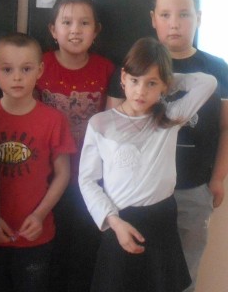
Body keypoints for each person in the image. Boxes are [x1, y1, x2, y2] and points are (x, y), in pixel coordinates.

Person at [108, 0, 228, 292]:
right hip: (139, 191)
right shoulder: (133, 67)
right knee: (138, 270)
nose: (174, 23)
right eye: (165, 15)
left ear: (199, 18)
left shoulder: (216, 69)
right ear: (153, 19)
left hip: (193, 188)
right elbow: (114, 129)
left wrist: (218, 178)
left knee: (184, 275)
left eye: (184, 14)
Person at [80, 38, 217, 292]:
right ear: (123, 78)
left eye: (151, 83)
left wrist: (167, 80)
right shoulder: (100, 124)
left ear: (164, 85)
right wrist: (114, 222)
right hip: (119, 220)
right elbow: (87, 180)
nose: (141, 91)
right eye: (135, 80)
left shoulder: (171, 117)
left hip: (160, 220)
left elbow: (207, 83)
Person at [0, 33, 76, 292]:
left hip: (36, 235)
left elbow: (63, 174)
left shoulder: (54, 120)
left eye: (26, 69)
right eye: (8, 69)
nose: (17, 77)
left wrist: (39, 215)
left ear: (40, 70)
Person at [37, 0, 115, 292]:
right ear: (52, 30)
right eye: (66, 22)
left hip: (91, 180)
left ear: (96, 31)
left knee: (84, 253)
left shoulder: (107, 70)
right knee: (50, 253)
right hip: (47, 179)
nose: (75, 30)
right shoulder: (39, 65)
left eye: (84, 23)